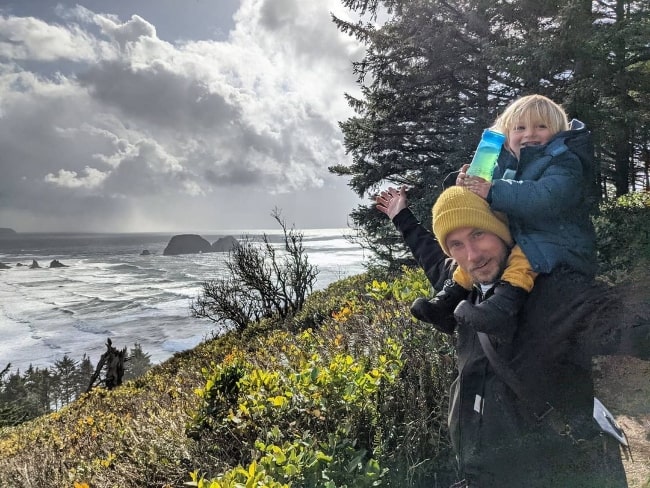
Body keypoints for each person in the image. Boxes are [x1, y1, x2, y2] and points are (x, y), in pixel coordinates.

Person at [375, 185, 628, 487]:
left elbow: (629, 323)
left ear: (502, 230)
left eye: (479, 234)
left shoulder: (556, 292)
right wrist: (400, 215)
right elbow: (428, 252)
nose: (472, 255)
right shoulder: (462, 287)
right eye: (455, 244)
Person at [410, 95, 597, 337]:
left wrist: (493, 189)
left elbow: (546, 196)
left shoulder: (564, 162)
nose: (530, 133)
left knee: (524, 254)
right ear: (507, 135)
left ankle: (502, 307)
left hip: (560, 240)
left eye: (541, 126)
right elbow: (484, 191)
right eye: (520, 128)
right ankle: (447, 303)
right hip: (527, 233)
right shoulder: (509, 164)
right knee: (475, 256)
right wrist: (464, 182)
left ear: (558, 132)